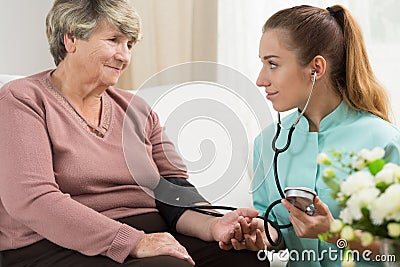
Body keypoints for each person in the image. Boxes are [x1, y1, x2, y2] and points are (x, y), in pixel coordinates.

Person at [0, 1, 267, 266]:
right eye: (113, 40)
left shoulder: (136, 108)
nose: (124, 56)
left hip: (146, 232)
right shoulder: (22, 99)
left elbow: (173, 190)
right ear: (71, 40)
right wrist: (132, 241)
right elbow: (32, 200)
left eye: (129, 44)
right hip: (52, 243)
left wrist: (214, 225)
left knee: (244, 257)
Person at [249, 4, 400, 267]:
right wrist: (258, 234)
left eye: (272, 64)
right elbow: (275, 230)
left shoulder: (384, 142)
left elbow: (395, 253)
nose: (261, 79)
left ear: (316, 68)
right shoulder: (266, 143)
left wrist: (336, 235)